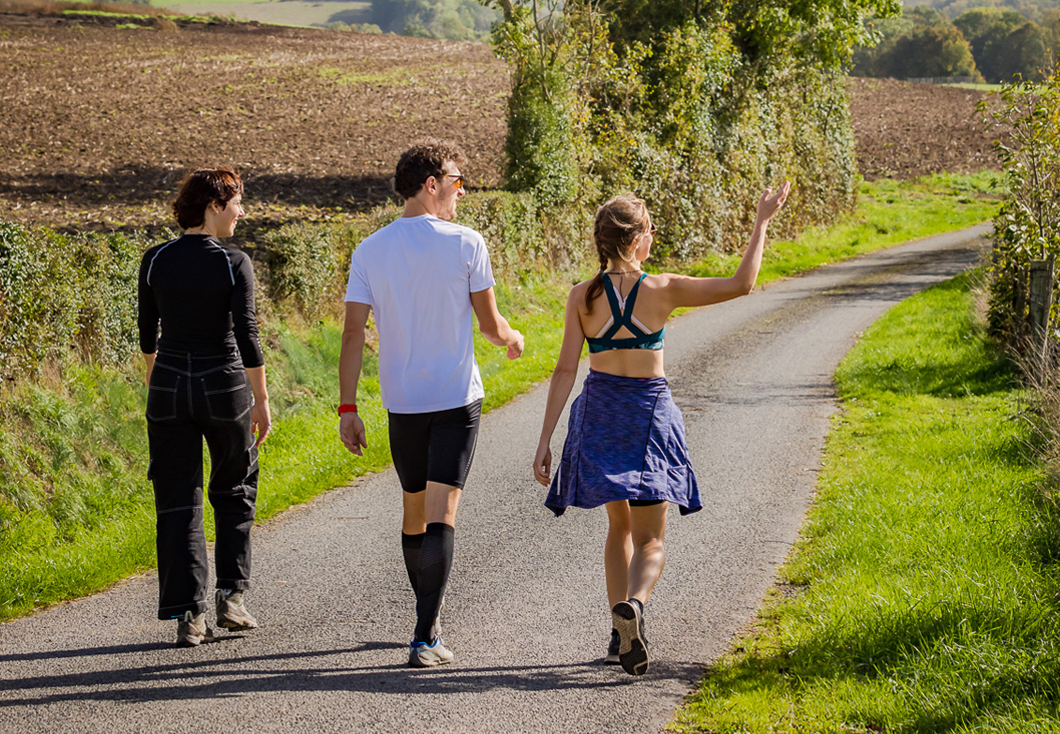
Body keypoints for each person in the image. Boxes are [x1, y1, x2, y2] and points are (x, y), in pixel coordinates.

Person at [532, 182, 790, 675]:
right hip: (649, 414)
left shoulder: (581, 298)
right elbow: (742, 284)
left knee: (619, 527)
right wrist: (760, 222)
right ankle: (637, 608)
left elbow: (565, 370)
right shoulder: (663, 288)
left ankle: (616, 633)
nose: (652, 237)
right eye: (649, 230)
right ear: (637, 240)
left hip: (601, 413)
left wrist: (545, 439)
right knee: (651, 538)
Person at [338, 139, 524, 668]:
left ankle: (429, 621)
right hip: (455, 399)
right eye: (457, 182)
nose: (461, 193)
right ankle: (424, 635)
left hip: (403, 403)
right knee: (443, 514)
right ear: (431, 184)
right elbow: (489, 328)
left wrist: (347, 408)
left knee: (415, 511)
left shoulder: (370, 249)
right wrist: (512, 338)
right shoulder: (467, 244)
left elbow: (353, 335)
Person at [137, 165, 272, 647]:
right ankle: (231, 599)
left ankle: (188, 614)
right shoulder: (233, 262)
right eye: (237, 203)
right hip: (223, 384)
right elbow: (247, 335)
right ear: (215, 206)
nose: (241, 212)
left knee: (177, 498)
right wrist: (261, 398)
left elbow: (146, 335)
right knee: (234, 488)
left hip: (169, 386)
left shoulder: (154, 260)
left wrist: (160, 379)